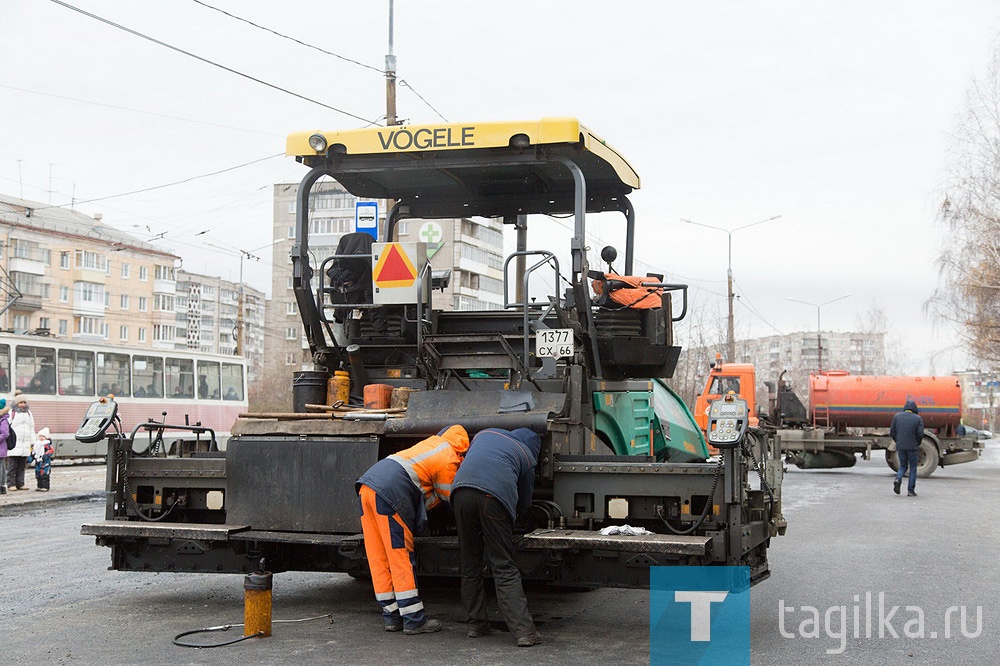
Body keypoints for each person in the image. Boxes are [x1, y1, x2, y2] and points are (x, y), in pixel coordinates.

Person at [356, 424, 470, 635]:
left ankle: (391, 617)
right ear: (462, 448)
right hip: (390, 492)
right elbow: (450, 498)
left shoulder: (430, 444)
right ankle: (413, 620)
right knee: (399, 556)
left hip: (367, 487)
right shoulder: (450, 456)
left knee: (378, 557)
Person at [451, 427, 543, 647]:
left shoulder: (484, 435)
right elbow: (524, 499)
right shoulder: (526, 454)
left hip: (460, 493)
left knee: (470, 564)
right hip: (493, 498)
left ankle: (476, 625)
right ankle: (524, 632)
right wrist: (517, 518)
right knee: (503, 565)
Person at [890, 398, 924, 497]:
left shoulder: (897, 417)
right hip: (912, 446)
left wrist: (898, 441)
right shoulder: (918, 418)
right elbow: (920, 434)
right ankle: (910, 490)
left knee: (903, 466)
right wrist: (917, 443)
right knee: (913, 467)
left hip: (901, 445)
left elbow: (892, 431)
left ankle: (898, 479)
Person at [6, 392, 35, 491]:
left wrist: (32, 442)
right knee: (12, 466)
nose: (23, 404)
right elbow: (7, 428)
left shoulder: (28, 413)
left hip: (24, 445)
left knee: (22, 466)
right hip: (14, 444)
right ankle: (11, 484)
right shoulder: (11, 413)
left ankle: (20, 483)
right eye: (20, 403)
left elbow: (31, 428)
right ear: (16, 403)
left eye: (24, 402)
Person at [30, 426, 53, 492]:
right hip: (38, 462)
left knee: (44, 474)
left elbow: (51, 451)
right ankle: (39, 486)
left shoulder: (47, 444)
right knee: (38, 474)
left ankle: (45, 486)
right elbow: (33, 452)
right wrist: (30, 458)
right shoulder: (37, 444)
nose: (41, 438)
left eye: (43, 436)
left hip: (45, 463)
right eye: (40, 436)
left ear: (46, 437)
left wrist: (45, 455)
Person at [0, 398, 8, 495]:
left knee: (1, 467)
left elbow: (5, 433)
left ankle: (1, 486)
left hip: (1, 447)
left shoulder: (3, 420)